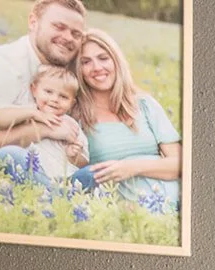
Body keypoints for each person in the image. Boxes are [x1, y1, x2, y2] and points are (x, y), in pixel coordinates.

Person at [0, 0, 87, 163]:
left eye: (76, 34)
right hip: (0, 171)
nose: (68, 37)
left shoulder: (71, 72)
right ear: (33, 22)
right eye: (58, 27)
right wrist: (41, 129)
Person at [72, 28, 182, 211]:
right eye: (86, 62)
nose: (97, 67)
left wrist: (132, 167)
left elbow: (180, 165)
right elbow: (80, 175)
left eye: (103, 58)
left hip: (173, 206)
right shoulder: (77, 116)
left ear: (116, 61)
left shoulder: (145, 105)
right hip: (123, 212)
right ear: (79, 70)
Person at [0, 65, 89, 185]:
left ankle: (58, 193)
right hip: (32, 172)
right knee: (9, 153)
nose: (55, 99)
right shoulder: (26, 114)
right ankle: (52, 194)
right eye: (48, 92)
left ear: (72, 103)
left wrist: (74, 156)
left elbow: (83, 162)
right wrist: (34, 113)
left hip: (64, 179)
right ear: (34, 90)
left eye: (63, 96)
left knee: (91, 172)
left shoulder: (72, 125)